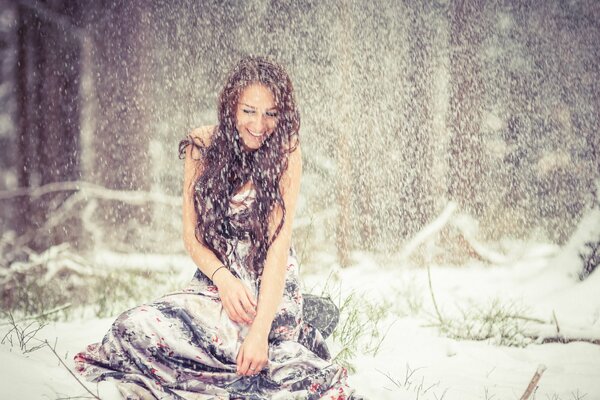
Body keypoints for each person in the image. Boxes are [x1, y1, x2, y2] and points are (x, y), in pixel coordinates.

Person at [74, 56, 357, 399]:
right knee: (129, 330)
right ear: (231, 108)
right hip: (215, 280)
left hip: (267, 280)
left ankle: (292, 326)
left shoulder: (286, 151)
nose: (259, 124)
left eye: (271, 113)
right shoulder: (202, 145)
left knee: (261, 357)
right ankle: (300, 325)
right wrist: (223, 279)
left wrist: (258, 331)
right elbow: (192, 236)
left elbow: (278, 246)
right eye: (249, 110)